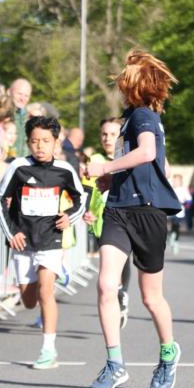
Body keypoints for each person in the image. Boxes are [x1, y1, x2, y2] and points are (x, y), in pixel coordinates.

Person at [86, 49, 182, 388]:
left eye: (125, 83)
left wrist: (105, 168)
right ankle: (115, 364)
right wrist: (114, 180)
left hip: (148, 213)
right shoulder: (128, 119)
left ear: (138, 87)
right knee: (105, 285)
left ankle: (168, 355)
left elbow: (147, 153)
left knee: (151, 298)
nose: (121, 88)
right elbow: (144, 163)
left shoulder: (143, 116)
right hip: (118, 210)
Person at [0, 116, 86, 370]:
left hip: (50, 239)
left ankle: (48, 349)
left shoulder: (64, 171)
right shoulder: (19, 167)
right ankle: (36, 307)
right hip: (23, 242)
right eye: (34, 141)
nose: (40, 146)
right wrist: (12, 232)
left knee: (46, 291)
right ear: (28, 143)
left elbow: (82, 198)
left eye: (46, 141)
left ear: (56, 142)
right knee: (29, 301)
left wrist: (70, 217)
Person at [83, 117, 131, 327]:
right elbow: (86, 189)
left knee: (123, 259)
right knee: (108, 262)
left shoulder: (128, 157)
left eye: (112, 134)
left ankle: (121, 293)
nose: (107, 138)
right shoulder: (94, 159)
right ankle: (115, 296)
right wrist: (87, 210)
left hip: (124, 216)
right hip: (101, 218)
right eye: (104, 134)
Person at [8, 78, 33, 156]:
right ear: (9, 92)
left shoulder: (31, 118)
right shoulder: (1, 116)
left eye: (26, 96)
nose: (22, 98)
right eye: (19, 94)